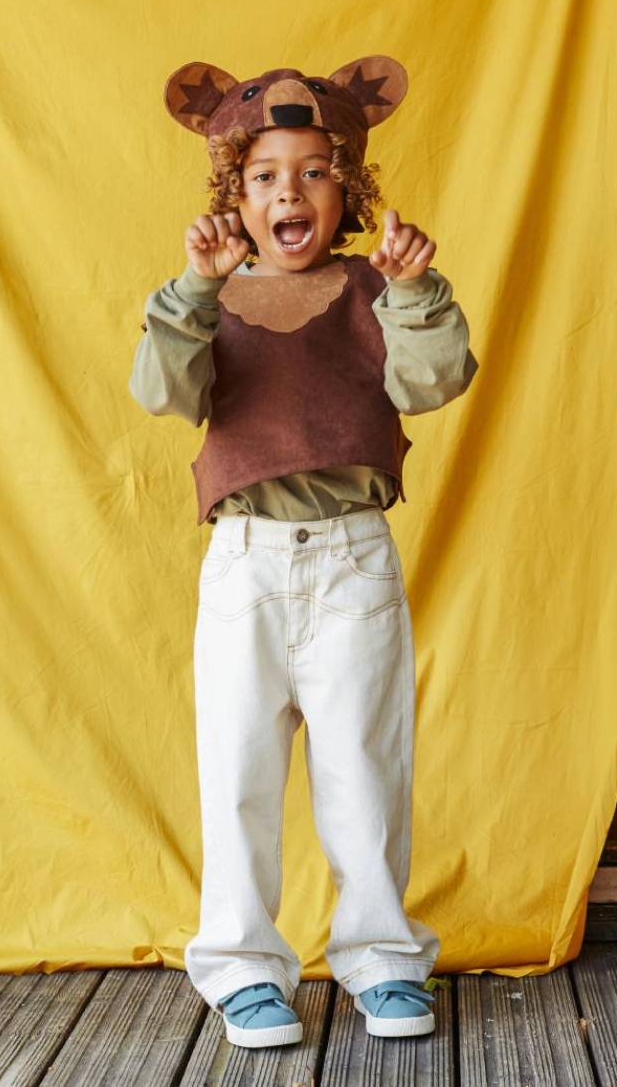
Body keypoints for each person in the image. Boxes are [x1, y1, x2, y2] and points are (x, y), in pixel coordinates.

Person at [129, 57, 478, 1050]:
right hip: (245, 565)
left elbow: (432, 383)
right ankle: (242, 966)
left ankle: (381, 956)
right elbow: (162, 391)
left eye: (316, 171)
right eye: (267, 175)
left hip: (352, 562)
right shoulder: (208, 296)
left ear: (348, 189)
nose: (291, 191)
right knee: (237, 769)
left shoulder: (374, 289)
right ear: (235, 195)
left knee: (364, 767)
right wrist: (193, 289)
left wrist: (415, 289)